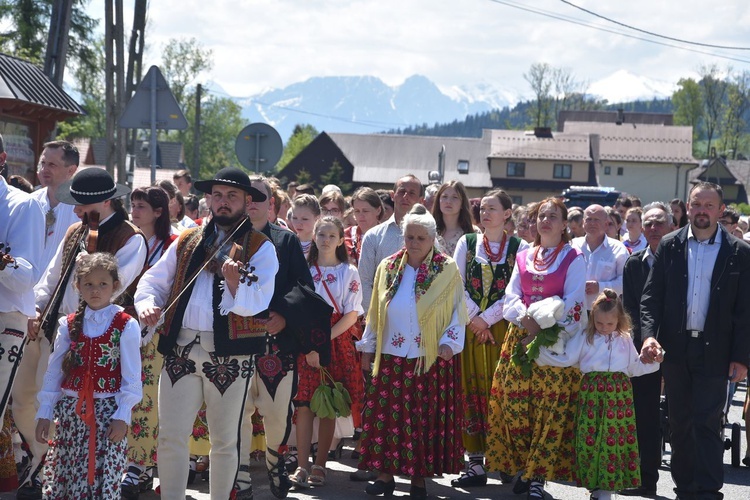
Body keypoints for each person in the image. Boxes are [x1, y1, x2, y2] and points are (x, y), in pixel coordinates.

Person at [135, 167, 279, 500]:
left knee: (225, 441)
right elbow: (153, 281)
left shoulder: (260, 247)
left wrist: (233, 282)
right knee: (170, 436)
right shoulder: (188, 238)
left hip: (230, 355)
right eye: (217, 195)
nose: (223, 202)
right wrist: (146, 304)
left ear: (247, 201)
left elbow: (259, 301)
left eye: (232, 196)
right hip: (181, 349)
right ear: (208, 200)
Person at [640, 182, 750, 500]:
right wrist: (649, 336)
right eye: (696, 204)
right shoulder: (671, 245)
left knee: (707, 418)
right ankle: (685, 487)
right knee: (679, 420)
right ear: (688, 208)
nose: (702, 210)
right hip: (675, 348)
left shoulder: (739, 253)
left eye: (709, 205)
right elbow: (651, 297)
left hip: (716, 350)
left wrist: (742, 358)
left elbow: (745, 310)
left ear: (720, 210)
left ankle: (708, 488)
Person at [356, 204, 468, 499]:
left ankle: (418, 478)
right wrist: (368, 346)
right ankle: (384, 475)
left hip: (430, 357)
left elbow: (458, 312)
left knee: (422, 419)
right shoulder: (389, 266)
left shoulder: (446, 269)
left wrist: (449, 343)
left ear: (433, 239)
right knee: (388, 418)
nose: (414, 244)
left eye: (420, 238)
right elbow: (376, 311)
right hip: (392, 355)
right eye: (409, 237)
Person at [486, 197, 587, 500]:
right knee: (514, 405)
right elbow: (511, 296)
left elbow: (574, 303)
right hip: (520, 338)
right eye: (541, 215)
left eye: (553, 216)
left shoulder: (574, 257)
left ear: (564, 223)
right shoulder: (524, 255)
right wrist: (526, 321)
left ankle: (537, 478)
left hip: (555, 342)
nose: (545, 221)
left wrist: (541, 325)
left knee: (549, 411)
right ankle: (523, 467)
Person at [235, 174, 319, 500]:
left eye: (259, 196)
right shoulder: (224, 240)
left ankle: (275, 463)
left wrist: (286, 317)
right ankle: (240, 478)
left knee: (276, 413)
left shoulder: (286, 241)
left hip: (276, 346)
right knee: (235, 413)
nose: (252, 202)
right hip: (234, 347)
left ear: (271, 203)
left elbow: (304, 290)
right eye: (247, 196)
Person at [35, 252, 142, 499]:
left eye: (103, 284)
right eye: (89, 284)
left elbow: (132, 375)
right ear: (78, 287)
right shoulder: (69, 324)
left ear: (115, 286)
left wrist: (123, 415)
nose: (96, 290)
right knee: (68, 473)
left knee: (100, 478)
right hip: (71, 415)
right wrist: (45, 412)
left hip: (107, 415)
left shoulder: (125, 324)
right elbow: (54, 370)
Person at [12, 141, 80, 495]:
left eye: (53, 164)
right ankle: (40, 455)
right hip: (26, 309)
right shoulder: (29, 202)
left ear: (71, 171)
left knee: (47, 395)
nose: (45, 168)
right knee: (21, 398)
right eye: (43, 162)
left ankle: (44, 466)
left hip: (60, 317)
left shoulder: (79, 210)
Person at [451, 189, 525, 488]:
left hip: (503, 329)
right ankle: (475, 463)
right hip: (470, 329)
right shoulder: (467, 242)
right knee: (470, 388)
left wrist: (488, 319)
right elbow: (454, 281)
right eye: (482, 208)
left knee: (503, 393)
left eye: (492, 208)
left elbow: (518, 289)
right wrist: (474, 319)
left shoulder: (520, 247)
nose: (485, 213)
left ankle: (506, 459)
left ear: (507, 213)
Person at [290, 217, 364, 489]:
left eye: (332, 235)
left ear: (341, 239)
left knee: (328, 403)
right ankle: (301, 465)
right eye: (321, 234)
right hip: (306, 341)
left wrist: (321, 344)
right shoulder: (304, 269)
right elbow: (296, 309)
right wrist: (309, 345)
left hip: (335, 342)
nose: (325, 240)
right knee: (305, 404)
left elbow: (352, 314)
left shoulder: (349, 272)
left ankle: (320, 465)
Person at [575, 289, 662, 500]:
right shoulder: (586, 338)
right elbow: (570, 358)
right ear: (592, 319)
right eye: (599, 323)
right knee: (591, 437)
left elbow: (634, 368)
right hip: (592, 394)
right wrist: (544, 352)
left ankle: (605, 486)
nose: (604, 328)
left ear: (619, 321)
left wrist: (654, 363)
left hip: (618, 395)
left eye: (609, 324)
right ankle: (595, 484)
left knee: (611, 439)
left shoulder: (624, 340)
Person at [120, 186, 178, 498]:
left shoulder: (172, 243)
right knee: (124, 395)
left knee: (146, 399)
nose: (135, 211)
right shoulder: (127, 240)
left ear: (159, 212)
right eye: (133, 205)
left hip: (155, 332)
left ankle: (138, 467)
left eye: (141, 206)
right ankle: (126, 463)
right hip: (123, 329)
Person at [620, 202, 674, 498]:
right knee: (645, 415)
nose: (653, 229)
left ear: (672, 226)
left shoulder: (681, 260)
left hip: (677, 348)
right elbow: (630, 310)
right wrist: (639, 347)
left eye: (659, 223)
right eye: (648, 224)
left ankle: (687, 476)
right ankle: (646, 478)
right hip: (644, 350)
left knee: (680, 415)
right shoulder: (634, 262)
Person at [571, 204, 629, 312]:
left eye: (597, 219)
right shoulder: (572, 246)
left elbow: (626, 282)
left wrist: (600, 287)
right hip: (575, 312)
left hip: (606, 315)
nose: (592, 223)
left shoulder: (618, 249)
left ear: (606, 224)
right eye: (589, 219)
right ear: (583, 223)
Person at [432, 180, 475, 256]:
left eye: (455, 197)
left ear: (462, 203)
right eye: (444, 197)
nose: (448, 201)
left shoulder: (473, 233)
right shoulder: (429, 230)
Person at [346, 188, 384, 265]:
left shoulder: (387, 236)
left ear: (378, 210)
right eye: (357, 211)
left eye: (365, 211)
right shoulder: (345, 235)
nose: (361, 216)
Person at [291, 194, 321, 258]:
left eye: (304, 219)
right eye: (294, 218)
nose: (298, 223)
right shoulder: (289, 243)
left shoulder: (322, 244)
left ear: (317, 219)